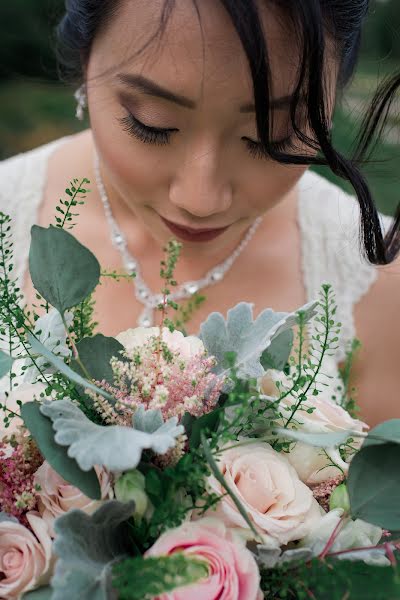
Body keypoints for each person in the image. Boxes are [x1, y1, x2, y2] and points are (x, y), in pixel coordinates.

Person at [0, 0, 399, 427]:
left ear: (334, 90)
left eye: (270, 136)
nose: (201, 199)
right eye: (152, 124)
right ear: (86, 59)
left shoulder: (379, 282)